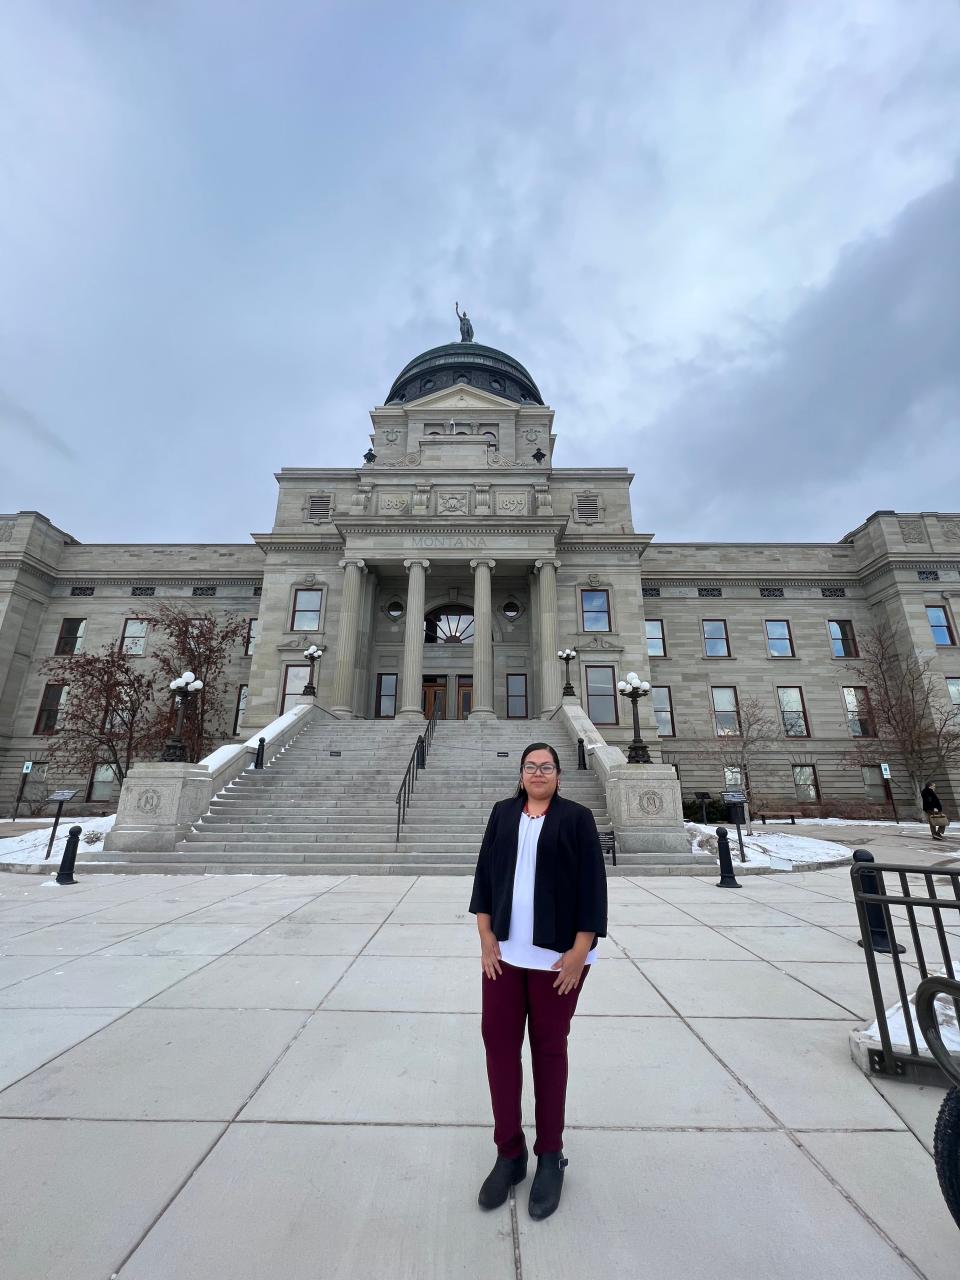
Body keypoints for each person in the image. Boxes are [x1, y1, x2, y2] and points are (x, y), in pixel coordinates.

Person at [469, 741, 607, 1221]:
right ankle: (510, 1153)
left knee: (549, 1050)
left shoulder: (576, 818)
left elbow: (593, 885)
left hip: (557, 962)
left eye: (546, 767)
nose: (538, 773)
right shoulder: (503, 814)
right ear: (522, 774)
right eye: (531, 766)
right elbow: (484, 877)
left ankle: (551, 1154)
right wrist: (486, 936)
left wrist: (580, 950)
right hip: (503, 957)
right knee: (499, 1048)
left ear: (559, 776)